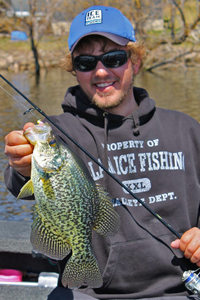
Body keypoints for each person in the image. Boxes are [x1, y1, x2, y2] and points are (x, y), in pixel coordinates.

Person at [4, 5, 200, 300]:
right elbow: (24, 182)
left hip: (179, 290)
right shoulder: (57, 133)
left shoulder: (185, 130)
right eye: (85, 62)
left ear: (134, 61)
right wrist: (21, 164)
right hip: (89, 293)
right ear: (74, 69)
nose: (100, 71)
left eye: (113, 58)